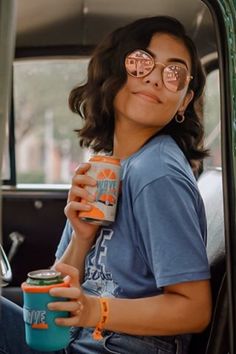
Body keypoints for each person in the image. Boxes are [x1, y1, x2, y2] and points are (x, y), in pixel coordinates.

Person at [0, 16, 212, 354]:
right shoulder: (110, 169)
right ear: (115, 72)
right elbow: (62, 286)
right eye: (141, 63)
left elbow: (194, 309)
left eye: (174, 74)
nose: (156, 79)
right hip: (77, 342)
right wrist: (82, 236)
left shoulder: (157, 172)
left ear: (184, 101)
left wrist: (92, 309)